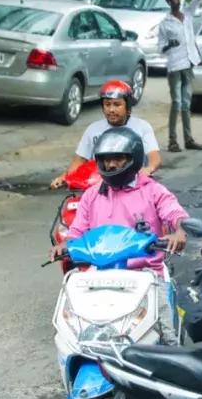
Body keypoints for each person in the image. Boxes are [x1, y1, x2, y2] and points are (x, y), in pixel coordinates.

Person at [50, 127, 188, 344]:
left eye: (118, 159)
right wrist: (65, 244)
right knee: (72, 331)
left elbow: (174, 213)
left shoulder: (153, 190)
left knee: (167, 337)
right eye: (106, 160)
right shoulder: (92, 195)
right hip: (100, 274)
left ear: (133, 159)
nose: (111, 165)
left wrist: (179, 230)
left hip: (146, 274)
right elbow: (77, 231)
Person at [50, 80, 161, 190]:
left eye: (117, 104)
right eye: (107, 104)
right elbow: (79, 160)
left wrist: (148, 169)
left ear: (128, 107)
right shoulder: (93, 129)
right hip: (99, 185)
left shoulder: (142, 127)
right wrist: (64, 177)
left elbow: (154, 157)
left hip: (133, 183)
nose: (111, 109)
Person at [159, 0, 202, 153]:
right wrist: (168, 45)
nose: (176, 2)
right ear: (168, 2)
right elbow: (160, 47)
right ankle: (172, 140)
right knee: (177, 103)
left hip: (188, 63)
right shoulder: (165, 23)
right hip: (174, 66)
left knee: (186, 103)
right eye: (172, 0)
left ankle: (188, 139)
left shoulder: (187, 15)